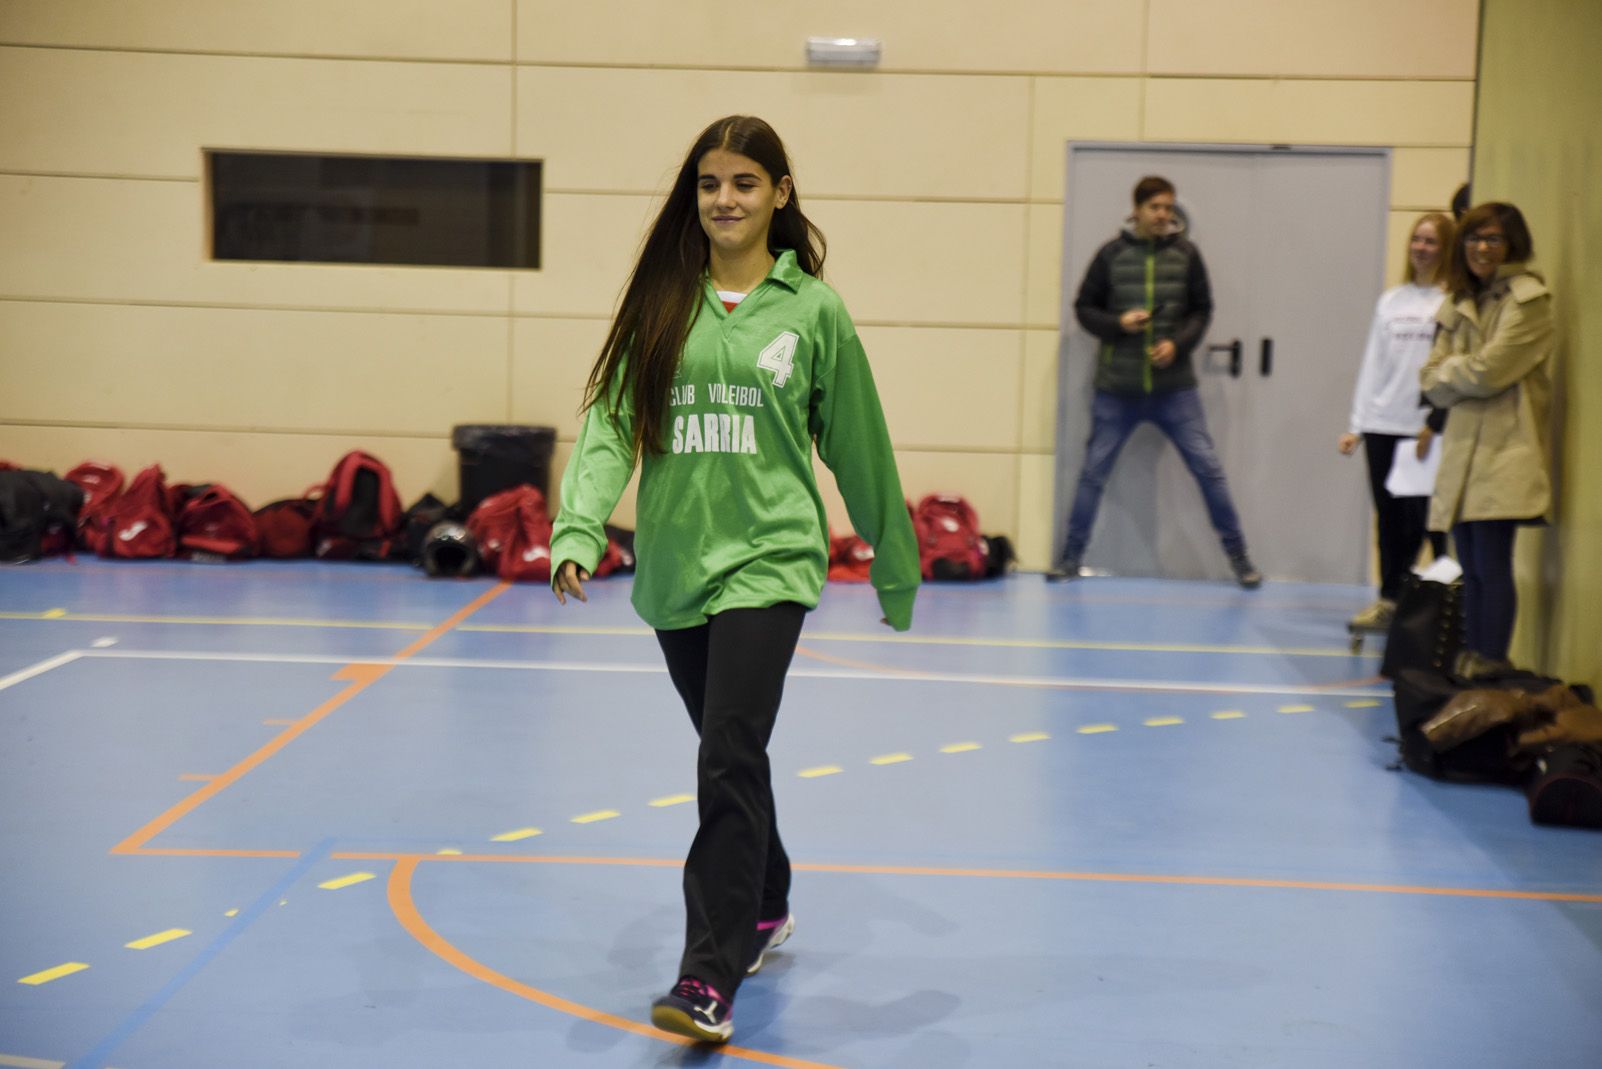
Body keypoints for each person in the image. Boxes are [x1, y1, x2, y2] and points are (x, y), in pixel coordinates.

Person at [547, 115, 920, 1045]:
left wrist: (894, 564)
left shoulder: (813, 310)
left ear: (779, 196)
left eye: (746, 183)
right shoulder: (661, 303)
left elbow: (859, 443)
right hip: (678, 563)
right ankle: (766, 900)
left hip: (771, 560)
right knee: (735, 751)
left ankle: (706, 979)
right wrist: (579, 526)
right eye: (711, 183)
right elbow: (608, 424)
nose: (726, 198)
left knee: (725, 754)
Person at [1047, 175, 1262, 587]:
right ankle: (1070, 558)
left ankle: (1240, 559)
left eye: (1168, 207)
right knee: (1093, 472)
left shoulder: (1187, 255)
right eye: (1155, 207)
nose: (1163, 215)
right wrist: (1118, 323)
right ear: (1137, 210)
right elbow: (1084, 309)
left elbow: (1202, 310)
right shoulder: (1109, 256)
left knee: (1209, 470)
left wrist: (1177, 345)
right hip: (1116, 389)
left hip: (1174, 390)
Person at [1420, 201, 1553, 679]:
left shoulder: (1528, 301)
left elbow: (1488, 373)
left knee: (1493, 565)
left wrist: (1455, 373)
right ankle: (1472, 662)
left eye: (1493, 238)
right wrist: (1458, 374)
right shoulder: (1458, 301)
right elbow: (1428, 380)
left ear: (1512, 244)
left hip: (1505, 451)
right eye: (1474, 238)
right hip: (1461, 450)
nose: (1481, 248)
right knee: (1470, 566)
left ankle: (1491, 664)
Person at [1337, 212, 1455, 631]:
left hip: (1424, 429)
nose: (1421, 249)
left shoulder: (1451, 300)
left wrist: (1436, 422)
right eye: (1416, 240)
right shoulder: (1391, 301)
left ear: (1446, 249)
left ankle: (1443, 609)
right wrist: (1357, 424)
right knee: (1388, 519)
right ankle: (1389, 601)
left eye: (1431, 242)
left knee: (1427, 522)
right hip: (1383, 425)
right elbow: (1374, 365)